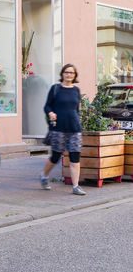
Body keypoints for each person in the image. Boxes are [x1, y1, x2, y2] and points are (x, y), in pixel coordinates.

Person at [40, 64, 85, 195]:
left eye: (71, 73)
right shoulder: (55, 89)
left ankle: (76, 186)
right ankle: (44, 175)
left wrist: (77, 121)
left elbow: (77, 109)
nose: (69, 75)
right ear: (62, 74)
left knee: (75, 156)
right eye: (66, 72)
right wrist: (50, 113)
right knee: (55, 157)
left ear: (75, 75)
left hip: (74, 128)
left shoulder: (76, 90)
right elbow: (47, 106)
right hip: (58, 128)